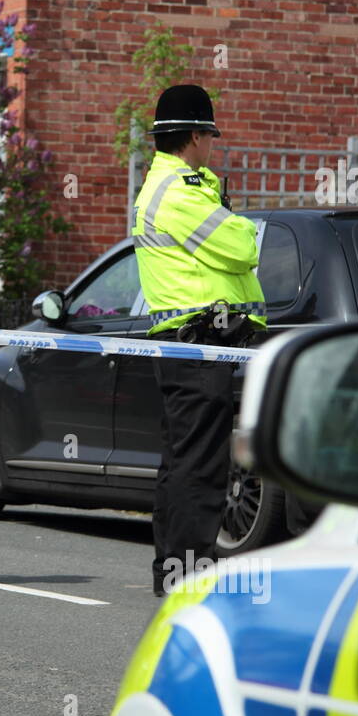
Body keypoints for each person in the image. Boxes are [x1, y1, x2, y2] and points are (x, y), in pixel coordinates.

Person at [131, 84, 266, 598]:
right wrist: (241, 228)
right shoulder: (178, 191)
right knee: (201, 468)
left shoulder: (182, 185)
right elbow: (239, 247)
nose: (213, 143)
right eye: (210, 134)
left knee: (182, 462)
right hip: (201, 344)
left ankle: (174, 571)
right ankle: (189, 573)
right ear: (193, 136)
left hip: (193, 343)